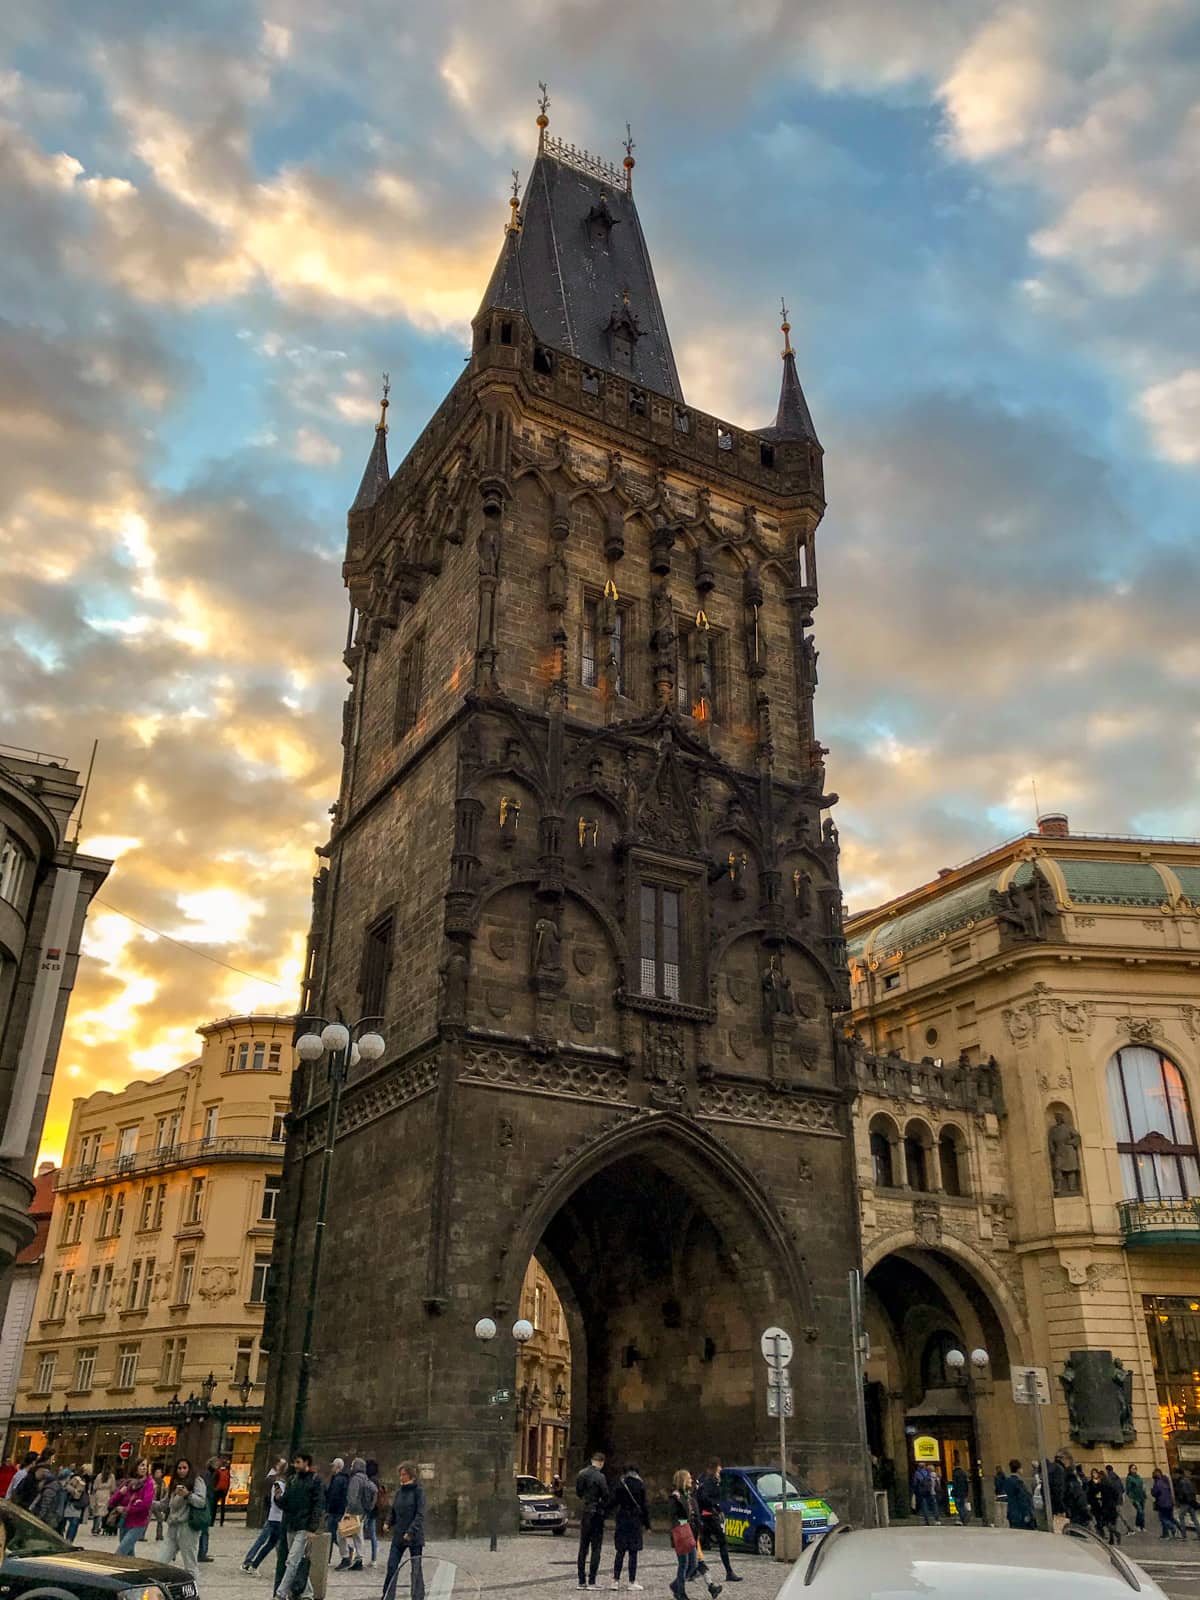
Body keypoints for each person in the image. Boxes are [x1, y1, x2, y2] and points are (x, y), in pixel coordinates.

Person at [275, 1452, 325, 1600]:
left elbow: (318, 1504)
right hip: (292, 1525)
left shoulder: (315, 1481)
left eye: (298, 1462)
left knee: (291, 1560)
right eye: (294, 1463)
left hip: (304, 1526)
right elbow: (287, 1503)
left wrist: (312, 1528)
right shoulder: (292, 1480)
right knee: (295, 1561)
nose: (295, 1466)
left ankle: (281, 1593)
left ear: (306, 1463)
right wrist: (278, 1498)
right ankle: (308, 1593)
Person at [384, 1462, 425, 1600]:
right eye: (400, 1474)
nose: (401, 1477)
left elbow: (420, 1514)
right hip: (398, 1536)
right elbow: (393, 1510)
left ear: (411, 1475)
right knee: (392, 1567)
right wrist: (388, 1522)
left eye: (404, 1474)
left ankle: (417, 1597)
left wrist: (411, 1531)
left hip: (414, 1537)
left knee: (416, 1570)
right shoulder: (399, 1492)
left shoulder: (418, 1491)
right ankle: (387, 1596)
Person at [162, 1458, 206, 1581]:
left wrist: (187, 1495)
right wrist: (148, 1503)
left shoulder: (197, 1481)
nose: (181, 1471)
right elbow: (165, 1503)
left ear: (189, 1469)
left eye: (184, 1468)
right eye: (179, 1468)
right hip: (173, 1527)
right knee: (160, 1561)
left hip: (187, 1527)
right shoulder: (174, 1483)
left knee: (190, 1565)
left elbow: (201, 1502)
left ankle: (193, 1591)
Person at [696, 1460, 741, 1582]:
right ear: (715, 1468)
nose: (721, 1470)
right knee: (720, 1542)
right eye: (719, 1467)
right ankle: (729, 1572)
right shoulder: (708, 1481)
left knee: (702, 1543)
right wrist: (716, 1507)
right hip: (709, 1515)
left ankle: (693, 1571)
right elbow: (705, 1498)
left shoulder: (709, 1480)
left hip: (708, 1515)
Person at [242, 1457, 287, 1573]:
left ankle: (253, 1562)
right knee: (267, 1540)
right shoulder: (273, 1479)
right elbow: (271, 1498)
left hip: (273, 1514)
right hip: (274, 1515)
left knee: (273, 1541)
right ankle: (250, 1561)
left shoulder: (272, 1478)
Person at [612, 1463, 650, 1591]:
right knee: (633, 1553)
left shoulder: (621, 1484)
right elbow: (644, 1506)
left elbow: (613, 1501)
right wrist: (647, 1524)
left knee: (620, 1551)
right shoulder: (640, 1485)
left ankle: (615, 1581)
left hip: (622, 1518)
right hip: (635, 1520)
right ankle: (631, 1581)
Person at [576, 1451, 609, 1590]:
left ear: (591, 1460)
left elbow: (579, 1492)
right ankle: (592, 1581)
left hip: (586, 1511)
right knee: (596, 1548)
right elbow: (606, 1494)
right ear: (601, 1462)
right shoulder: (600, 1476)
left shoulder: (581, 1473)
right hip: (596, 1513)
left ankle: (581, 1580)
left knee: (583, 1547)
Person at [338, 1456, 375, 1572]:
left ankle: (345, 1558)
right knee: (358, 1536)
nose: (351, 1467)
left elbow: (352, 1497)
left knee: (340, 1533)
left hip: (353, 1511)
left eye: (353, 1465)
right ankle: (359, 1559)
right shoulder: (367, 1479)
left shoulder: (355, 1479)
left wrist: (348, 1511)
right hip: (362, 1512)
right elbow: (374, 1491)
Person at [112, 1459, 154, 1556]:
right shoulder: (128, 1482)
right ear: (136, 1467)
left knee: (121, 1552)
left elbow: (145, 1504)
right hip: (124, 1521)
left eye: (146, 1466)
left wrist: (126, 1509)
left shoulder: (149, 1483)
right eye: (142, 1465)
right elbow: (112, 1501)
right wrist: (120, 1493)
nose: (144, 1468)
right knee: (129, 1554)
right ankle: (134, 1570)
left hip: (138, 1523)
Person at [668, 1471, 696, 1600]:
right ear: (683, 1480)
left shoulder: (688, 1495)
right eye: (689, 1478)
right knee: (683, 1564)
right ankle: (681, 1593)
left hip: (689, 1533)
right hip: (681, 1533)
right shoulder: (676, 1496)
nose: (691, 1479)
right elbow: (673, 1517)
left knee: (693, 1564)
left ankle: (675, 1586)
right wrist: (684, 1523)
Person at [1087, 1467, 1120, 1545]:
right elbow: (1116, 1494)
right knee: (1111, 1523)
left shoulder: (1101, 1485)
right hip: (1112, 1506)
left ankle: (1116, 1534)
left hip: (1106, 1507)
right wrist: (1115, 1502)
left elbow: (1097, 1495)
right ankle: (1112, 1538)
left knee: (1106, 1523)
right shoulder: (1110, 1484)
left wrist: (1098, 1498)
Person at [29, 1465, 67, 1530]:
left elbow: (45, 1507)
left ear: (43, 1481)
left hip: (47, 1520)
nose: (37, 1484)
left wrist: (38, 1519)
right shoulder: (54, 1487)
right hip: (51, 1519)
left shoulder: (49, 1489)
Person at [325, 1456, 349, 1550]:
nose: (332, 1468)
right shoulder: (339, 1478)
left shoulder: (338, 1479)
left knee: (332, 1534)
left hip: (335, 1511)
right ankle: (348, 1550)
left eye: (333, 1466)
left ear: (338, 1467)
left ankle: (348, 1550)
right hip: (338, 1510)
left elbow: (334, 1496)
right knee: (334, 1534)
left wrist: (328, 1508)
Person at [1151, 1469, 1182, 1539]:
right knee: (1170, 1517)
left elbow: (1155, 1493)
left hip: (1162, 1503)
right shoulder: (1165, 1481)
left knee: (1163, 1519)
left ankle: (1173, 1528)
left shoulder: (1157, 1483)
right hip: (1170, 1503)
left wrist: (1152, 1491)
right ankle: (1177, 1531)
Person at [1004, 1459, 1035, 1530]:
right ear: (1018, 1469)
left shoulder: (1007, 1481)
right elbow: (1023, 1499)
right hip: (1020, 1514)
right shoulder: (1019, 1483)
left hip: (1011, 1512)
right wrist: (1027, 1513)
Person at [198, 1457, 218, 1561]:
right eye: (216, 1463)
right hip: (205, 1504)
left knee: (204, 1530)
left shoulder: (210, 1474)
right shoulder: (207, 1475)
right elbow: (206, 1491)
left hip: (207, 1503)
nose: (218, 1465)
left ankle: (202, 1552)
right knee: (204, 1530)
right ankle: (202, 1553)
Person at [363, 1460, 382, 1568]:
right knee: (372, 1534)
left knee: (362, 1533)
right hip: (374, 1510)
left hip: (369, 1510)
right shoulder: (376, 1480)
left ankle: (361, 1557)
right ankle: (374, 1558)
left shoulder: (370, 1480)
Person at [1106, 1465, 1133, 1535]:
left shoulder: (1109, 1478)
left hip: (1114, 1500)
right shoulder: (1117, 1478)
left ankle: (1130, 1528)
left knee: (1119, 1515)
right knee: (1117, 1515)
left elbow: (1111, 1490)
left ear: (1107, 1470)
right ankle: (1116, 1530)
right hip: (1119, 1499)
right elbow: (1122, 1489)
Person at [90, 1464, 116, 1533]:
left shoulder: (99, 1476)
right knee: (101, 1512)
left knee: (96, 1511)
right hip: (106, 1494)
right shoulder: (111, 1476)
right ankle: (96, 1528)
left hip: (98, 1493)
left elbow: (95, 1486)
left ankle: (94, 1527)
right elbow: (113, 1488)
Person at [1174, 1467, 1200, 1537]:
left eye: (1175, 1474)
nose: (1174, 1476)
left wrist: (1180, 1500)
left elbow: (1184, 1492)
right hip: (1191, 1502)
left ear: (1178, 1474)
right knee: (1194, 1519)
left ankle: (1183, 1535)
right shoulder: (1188, 1480)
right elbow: (1193, 1491)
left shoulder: (1181, 1481)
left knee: (1181, 1517)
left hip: (1185, 1503)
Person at [64, 1472, 89, 1541]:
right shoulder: (70, 1486)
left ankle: (69, 1540)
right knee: (73, 1524)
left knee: (73, 1524)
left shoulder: (79, 1486)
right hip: (73, 1506)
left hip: (74, 1506)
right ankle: (69, 1540)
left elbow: (77, 1497)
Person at [1065, 1464, 1090, 1529]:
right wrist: (1086, 1513)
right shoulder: (1074, 1483)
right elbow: (1080, 1499)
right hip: (1078, 1512)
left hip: (1072, 1511)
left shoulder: (1066, 1482)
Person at [950, 1456, 971, 1526]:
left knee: (958, 1506)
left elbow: (955, 1484)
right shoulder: (964, 1473)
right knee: (962, 1505)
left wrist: (953, 1492)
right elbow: (966, 1483)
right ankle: (964, 1517)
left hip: (957, 1493)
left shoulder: (955, 1473)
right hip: (963, 1492)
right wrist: (966, 1492)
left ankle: (963, 1518)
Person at [1126, 1464, 1147, 1533]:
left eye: (1135, 1468)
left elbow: (1142, 1486)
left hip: (1141, 1497)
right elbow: (1128, 1489)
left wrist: (1144, 1493)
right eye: (1132, 1468)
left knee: (1142, 1512)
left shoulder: (1139, 1477)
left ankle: (1142, 1526)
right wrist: (1131, 1497)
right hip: (1135, 1498)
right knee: (1140, 1511)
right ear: (1129, 1470)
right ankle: (1137, 1525)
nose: (1134, 1470)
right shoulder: (1129, 1478)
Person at [151, 1466, 169, 1541]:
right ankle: (141, 1535)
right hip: (151, 1503)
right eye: (157, 1472)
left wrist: (163, 1500)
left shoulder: (164, 1483)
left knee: (160, 1519)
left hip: (158, 1503)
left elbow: (166, 1491)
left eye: (159, 1472)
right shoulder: (151, 1482)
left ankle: (159, 1535)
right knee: (146, 1519)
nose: (158, 1474)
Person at [213, 1456, 231, 1525]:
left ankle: (212, 1521)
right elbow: (228, 1482)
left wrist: (214, 1488)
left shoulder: (218, 1471)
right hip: (223, 1491)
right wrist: (226, 1491)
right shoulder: (227, 1472)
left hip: (217, 1490)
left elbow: (215, 1480)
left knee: (215, 1506)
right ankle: (221, 1522)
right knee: (222, 1507)